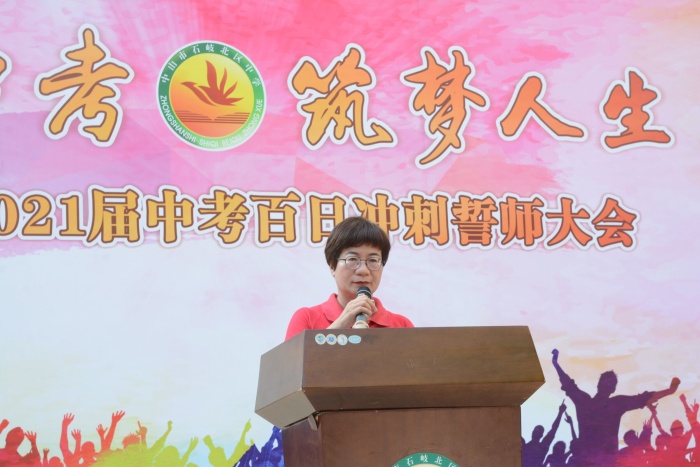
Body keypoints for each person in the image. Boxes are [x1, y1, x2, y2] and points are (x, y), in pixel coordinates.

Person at [285, 216, 413, 340]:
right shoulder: (307, 318)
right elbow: (296, 356)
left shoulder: (402, 325)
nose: (363, 270)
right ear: (332, 266)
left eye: (373, 260)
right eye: (352, 259)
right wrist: (343, 321)